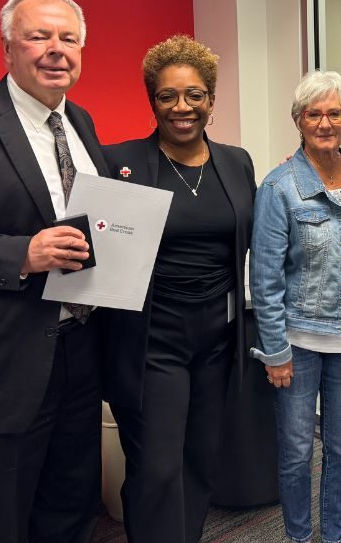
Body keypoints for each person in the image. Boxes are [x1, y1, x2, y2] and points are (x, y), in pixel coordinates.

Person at [103, 35, 255, 543]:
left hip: (218, 337)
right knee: (157, 465)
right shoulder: (120, 164)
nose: (182, 107)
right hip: (154, 338)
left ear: (211, 100)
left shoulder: (236, 163)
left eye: (194, 94)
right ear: (153, 101)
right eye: (167, 95)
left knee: (200, 456)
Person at [0, 0, 109, 543]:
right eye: (39, 36)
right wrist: (19, 254)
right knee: (1, 512)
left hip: (81, 345)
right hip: (6, 357)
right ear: (7, 48)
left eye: (68, 38)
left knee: (72, 501)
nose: (56, 50)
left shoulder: (81, 123)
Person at [250, 70, 341, 543]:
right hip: (299, 342)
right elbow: (264, 278)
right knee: (295, 451)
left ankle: (333, 535)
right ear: (299, 120)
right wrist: (275, 351)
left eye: (334, 113)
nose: (325, 122)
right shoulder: (279, 187)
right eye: (314, 114)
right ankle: (299, 537)